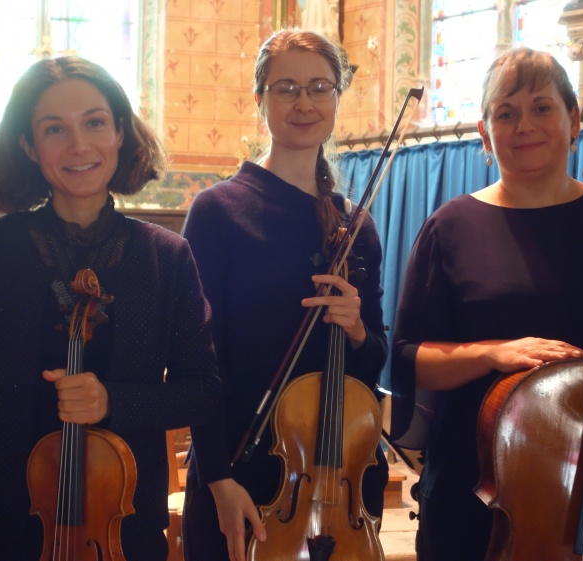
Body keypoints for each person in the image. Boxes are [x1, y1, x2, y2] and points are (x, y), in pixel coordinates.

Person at [391, 47, 583, 561]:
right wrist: (491, 354)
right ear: (485, 135)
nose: (524, 125)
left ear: (574, 121)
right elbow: (410, 360)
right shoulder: (450, 228)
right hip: (477, 491)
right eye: (505, 113)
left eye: (542, 108)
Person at [0, 56, 221, 561]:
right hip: (5, 524)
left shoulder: (166, 256)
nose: (79, 145)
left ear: (121, 132)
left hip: (122, 529)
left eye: (95, 122)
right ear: (28, 145)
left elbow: (203, 393)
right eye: (54, 128)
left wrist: (113, 403)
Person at [181, 28, 389, 561]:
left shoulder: (356, 225)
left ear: (338, 97)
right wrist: (218, 480)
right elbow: (194, 362)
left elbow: (375, 364)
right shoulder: (218, 211)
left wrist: (359, 329)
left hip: (338, 484)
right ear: (260, 99)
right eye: (286, 88)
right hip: (238, 477)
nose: (304, 103)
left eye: (320, 87)